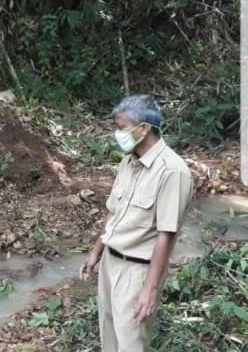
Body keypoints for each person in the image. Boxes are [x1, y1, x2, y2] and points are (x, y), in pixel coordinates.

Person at [79, 95, 193, 352]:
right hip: (110, 262)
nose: (117, 134)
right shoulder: (128, 162)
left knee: (131, 345)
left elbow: (166, 235)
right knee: (109, 338)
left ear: (143, 129)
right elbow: (114, 214)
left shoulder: (172, 172)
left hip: (137, 272)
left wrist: (149, 289)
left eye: (121, 128)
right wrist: (96, 252)